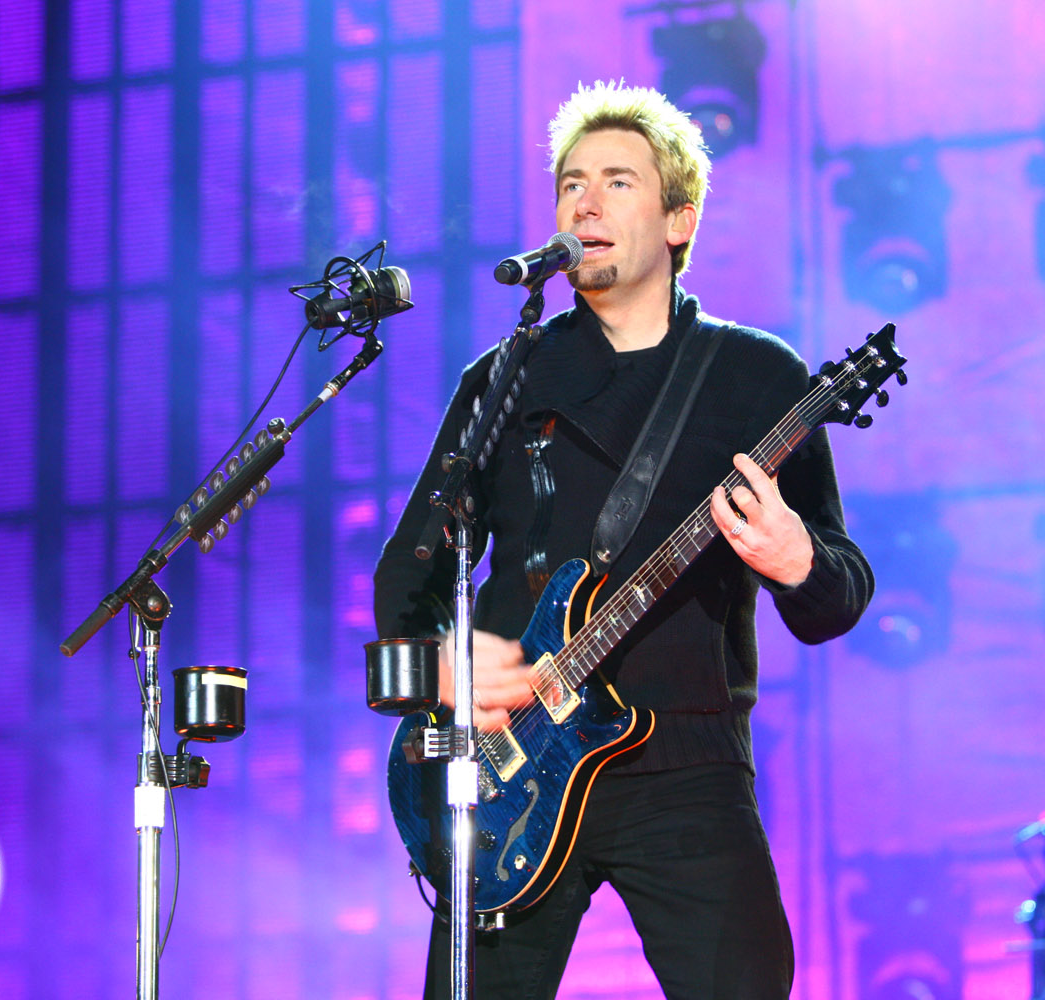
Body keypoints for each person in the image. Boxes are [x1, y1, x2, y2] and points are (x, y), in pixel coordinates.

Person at [373, 81, 873, 999]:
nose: (586, 204)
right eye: (571, 184)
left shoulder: (755, 376)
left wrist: (796, 562)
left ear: (680, 221)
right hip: (511, 765)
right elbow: (410, 570)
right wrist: (443, 667)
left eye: (617, 182)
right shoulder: (508, 374)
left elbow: (838, 591)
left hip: (684, 765)